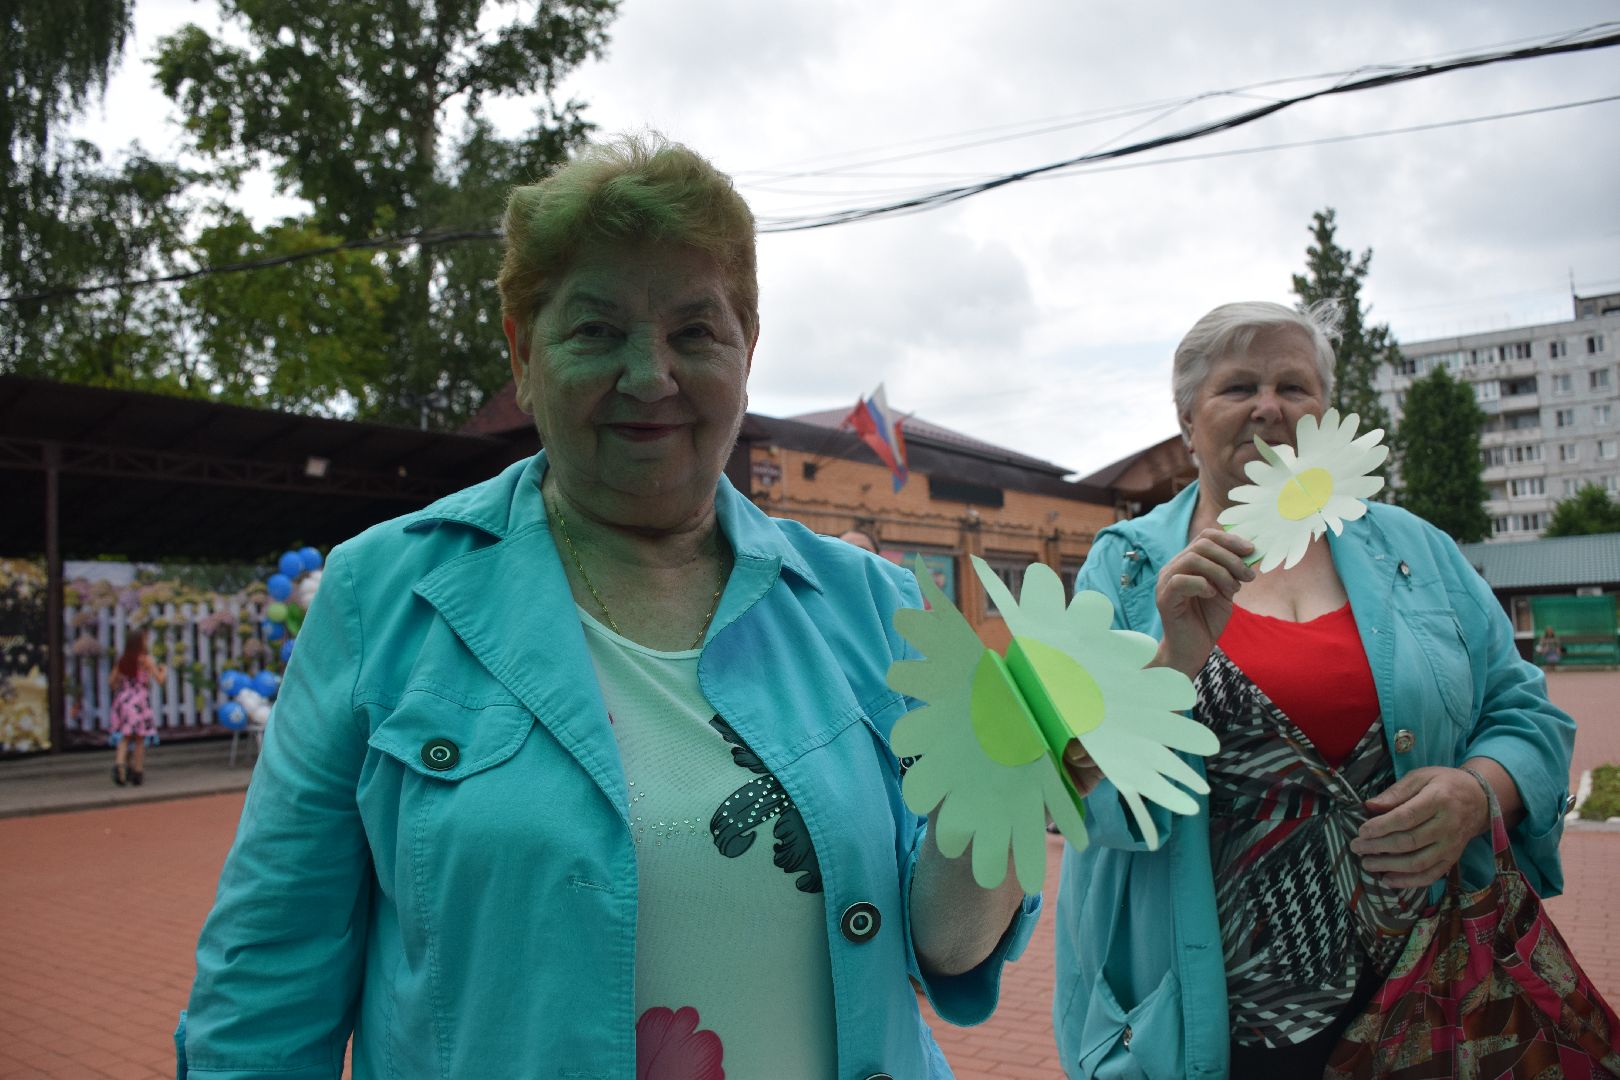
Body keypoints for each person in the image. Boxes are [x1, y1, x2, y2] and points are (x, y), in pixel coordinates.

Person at [177, 134, 1052, 1079]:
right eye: (596, 331)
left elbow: (947, 943)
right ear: (523, 354)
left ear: (747, 351)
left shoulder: (874, 608)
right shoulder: (382, 595)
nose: (650, 376)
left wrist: (1019, 775)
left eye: (694, 332)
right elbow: (265, 983)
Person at [1052, 301, 1575, 1079]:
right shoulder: (1125, 570)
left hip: (1429, 988)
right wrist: (1173, 660)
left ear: (1326, 413)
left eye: (1294, 386)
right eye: (1239, 387)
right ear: (1188, 419)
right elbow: (1084, 793)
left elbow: (1525, 712)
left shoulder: (1417, 550)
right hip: (1218, 1016)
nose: (1270, 406)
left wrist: (1478, 792)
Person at [107, 629, 165, 786]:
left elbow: (112, 682)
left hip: (124, 700)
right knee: (139, 738)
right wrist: (163, 671)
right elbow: (159, 680)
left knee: (125, 737)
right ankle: (137, 770)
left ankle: (120, 765)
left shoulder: (123, 661)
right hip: (139, 701)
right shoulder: (146, 660)